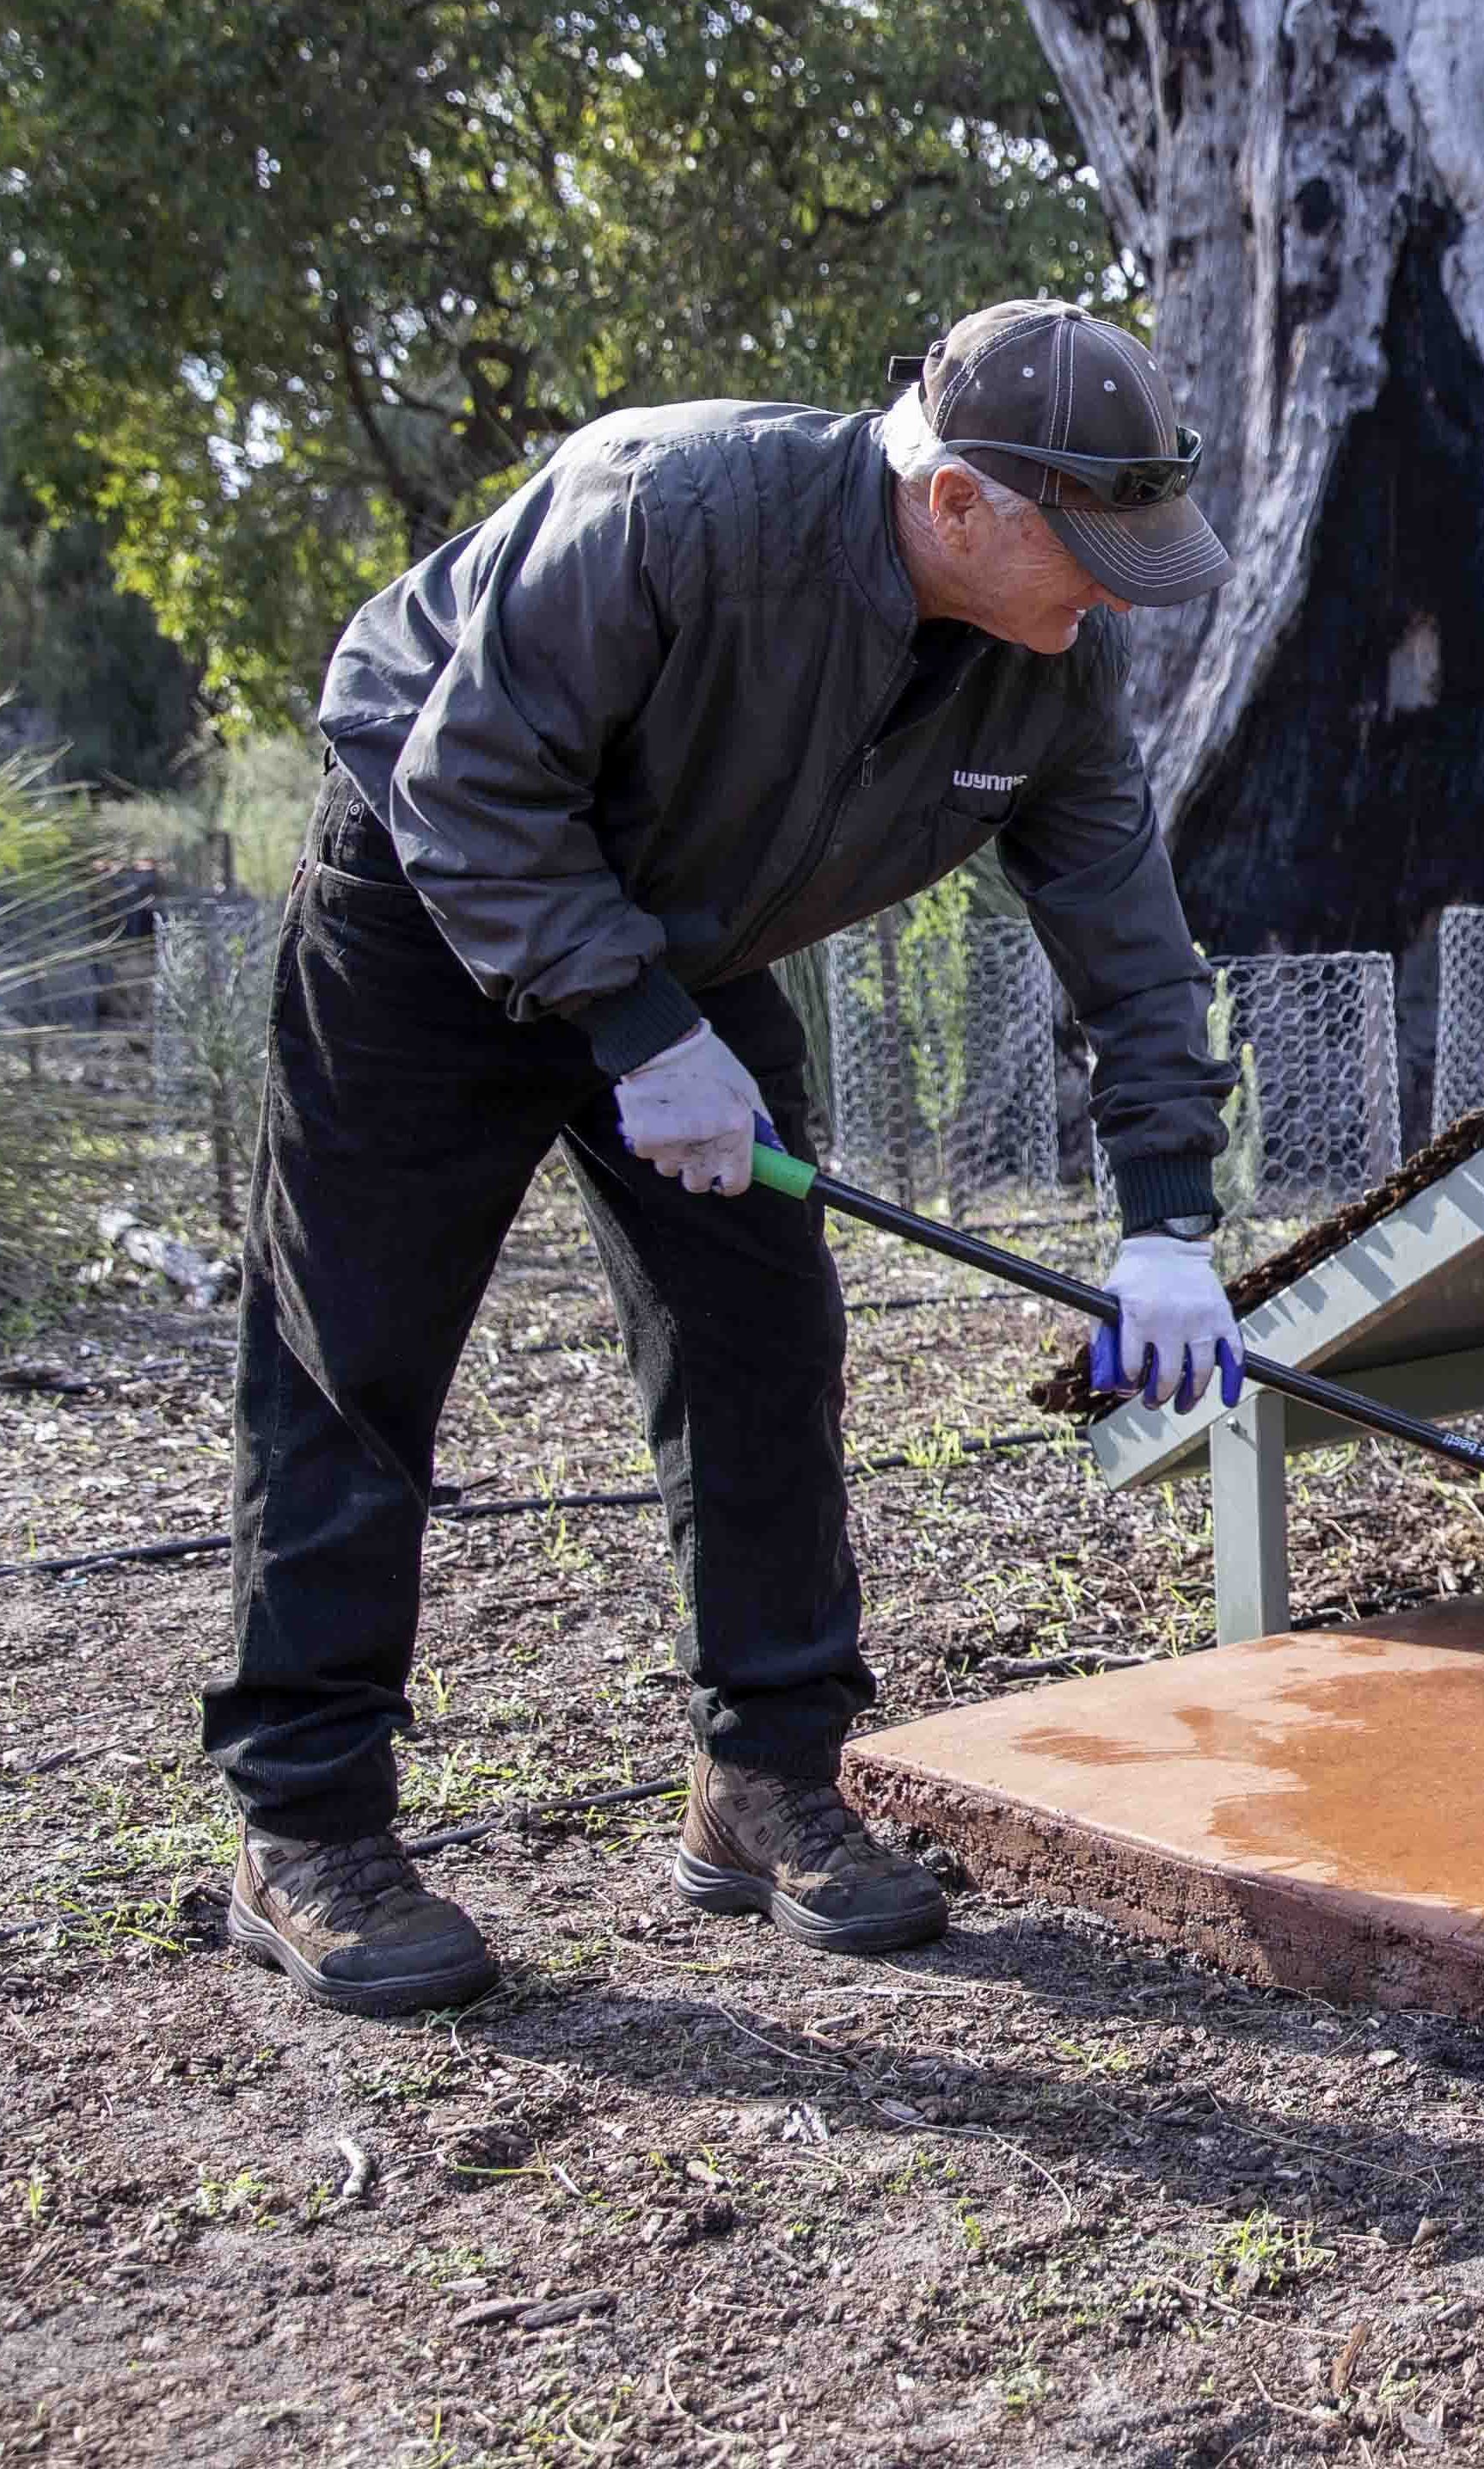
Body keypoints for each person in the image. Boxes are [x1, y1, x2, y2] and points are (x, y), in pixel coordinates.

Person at [204, 300, 1252, 2018]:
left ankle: (766, 1783)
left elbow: (1131, 944)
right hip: (428, 899)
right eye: (1094, 549)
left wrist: (1169, 1225)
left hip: (687, 949)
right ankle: (304, 1827)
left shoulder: (1058, 661)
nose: (1120, 592)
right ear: (965, 502)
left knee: (766, 1344)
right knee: (356, 1362)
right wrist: (628, 1029)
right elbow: (464, 777)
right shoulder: (662, 512)